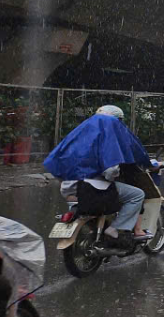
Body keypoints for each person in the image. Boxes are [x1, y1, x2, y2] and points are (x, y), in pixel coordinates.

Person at [43, 105, 154, 247]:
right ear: (117, 121)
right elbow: (110, 172)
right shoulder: (108, 134)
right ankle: (116, 230)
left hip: (70, 190)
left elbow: (58, 164)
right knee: (137, 195)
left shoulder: (81, 134)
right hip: (93, 190)